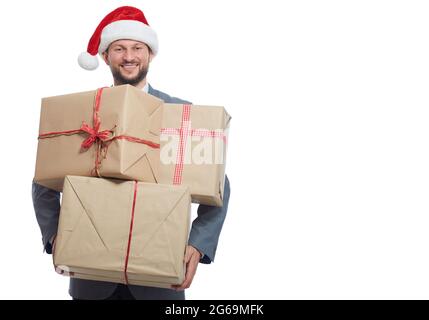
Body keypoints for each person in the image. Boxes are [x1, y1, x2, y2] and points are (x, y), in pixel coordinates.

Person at [32, 6, 230, 300]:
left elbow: (217, 184)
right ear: (104, 56)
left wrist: (198, 243)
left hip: (160, 279)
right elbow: (43, 179)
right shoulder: (87, 111)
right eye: (119, 48)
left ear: (150, 54)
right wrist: (55, 236)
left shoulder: (180, 113)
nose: (129, 57)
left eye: (137, 48)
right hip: (90, 276)